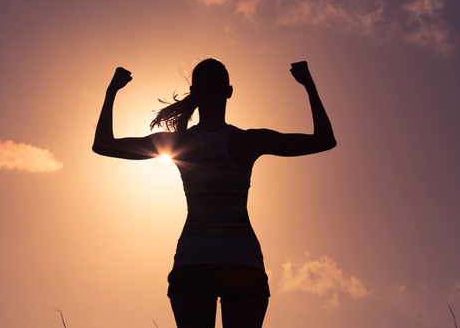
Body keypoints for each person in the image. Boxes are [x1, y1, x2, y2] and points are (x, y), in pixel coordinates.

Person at [92, 58, 336, 328]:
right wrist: (308, 85)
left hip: (194, 262)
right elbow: (324, 140)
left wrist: (111, 91)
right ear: (229, 91)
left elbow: (103, 145)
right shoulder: (249, 140)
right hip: (242, 262)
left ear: (194, 93)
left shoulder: (178, 142)